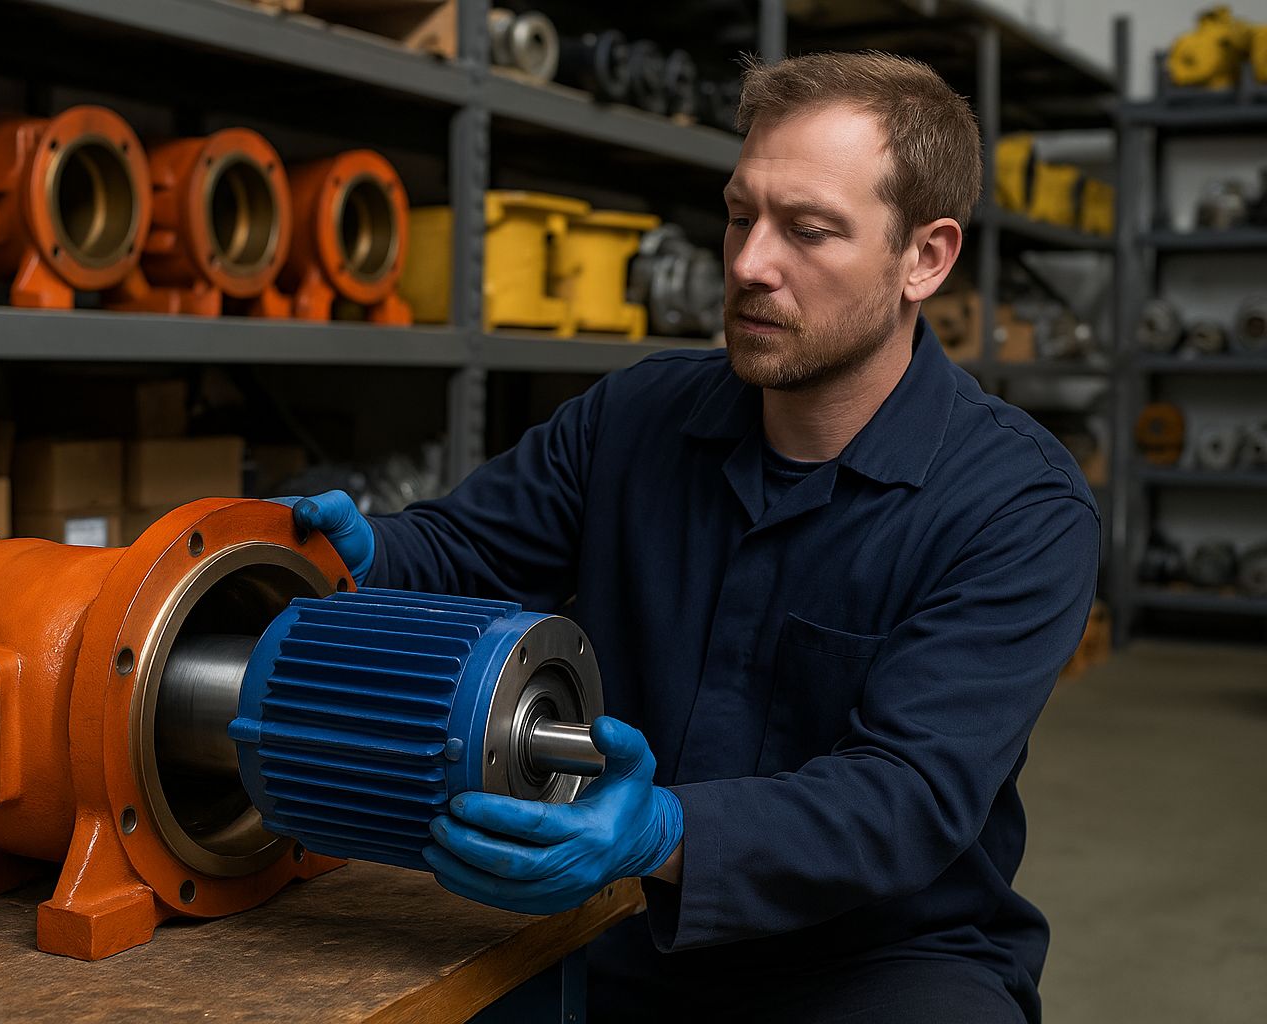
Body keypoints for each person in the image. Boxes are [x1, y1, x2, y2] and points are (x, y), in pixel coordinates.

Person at [282, 51, 1098, 1024]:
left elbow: (905, 795)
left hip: (881, 954)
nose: (751, 263)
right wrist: (358, 556)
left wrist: (665, 828)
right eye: (741, 214)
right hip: (616, 912)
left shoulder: (1018, 506)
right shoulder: (636, 414)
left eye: (808, 230)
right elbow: (464, 552)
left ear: (925, 257)